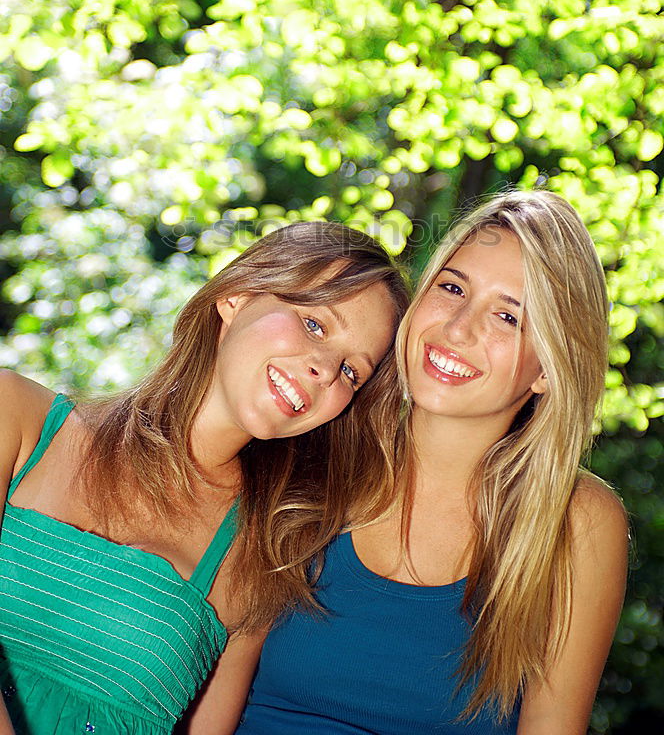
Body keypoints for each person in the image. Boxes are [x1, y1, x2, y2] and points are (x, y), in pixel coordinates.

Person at [238, 191, 629, 735]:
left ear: (548, 369)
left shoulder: (576, 523)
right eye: (451, 288)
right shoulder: (314, 446)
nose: (458, 328)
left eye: (508, 316)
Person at [0, 221, 410, 735]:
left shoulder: (260, 562)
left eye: (352, 371)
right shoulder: (14, 416)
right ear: (237, 295)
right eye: (315, 325)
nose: (324, 370)